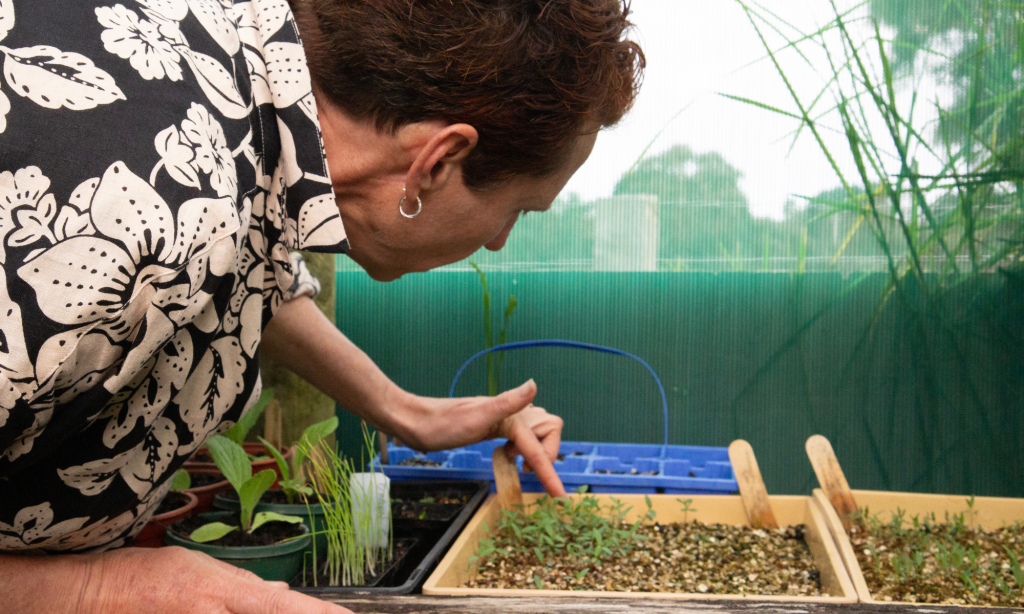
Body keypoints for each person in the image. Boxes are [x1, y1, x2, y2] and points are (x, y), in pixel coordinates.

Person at [0, 0, 644, 611]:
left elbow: (251, 277)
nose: (499, 242)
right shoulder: (141, 200)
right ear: (436, 162)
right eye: (518, 209)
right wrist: (94, 594)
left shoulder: (226, 82)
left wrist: (406, 412)